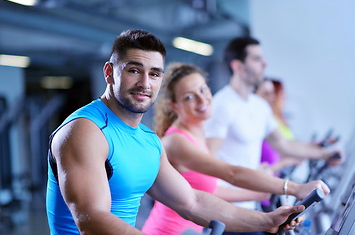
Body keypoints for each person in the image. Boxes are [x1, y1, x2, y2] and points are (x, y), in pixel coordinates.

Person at [46, 29, 306, 235]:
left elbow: (192, 202)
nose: (145, 83)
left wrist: (266, 220)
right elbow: (92, 220)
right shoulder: (86, 131)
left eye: (155, 74)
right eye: (134, 70)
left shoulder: (148, 141)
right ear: (109, 72)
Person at [141, 63, 329, 235]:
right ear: (174, 107)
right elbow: (231, 173)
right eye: (189, 97)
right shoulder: (176, 142)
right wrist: (294, 189)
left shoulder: (201, 134)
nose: (201, 99)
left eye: (202, 89)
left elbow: (209, 192)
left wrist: (261, 193)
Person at [205, 36, 343, 235]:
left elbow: (285, 145)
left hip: (252, 208)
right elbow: (207, 165)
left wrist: (326, 153)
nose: (265, 63)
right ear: (238, 66)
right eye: (257, 59)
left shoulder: (259, 106)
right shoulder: (222, 105)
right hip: (226, 213)